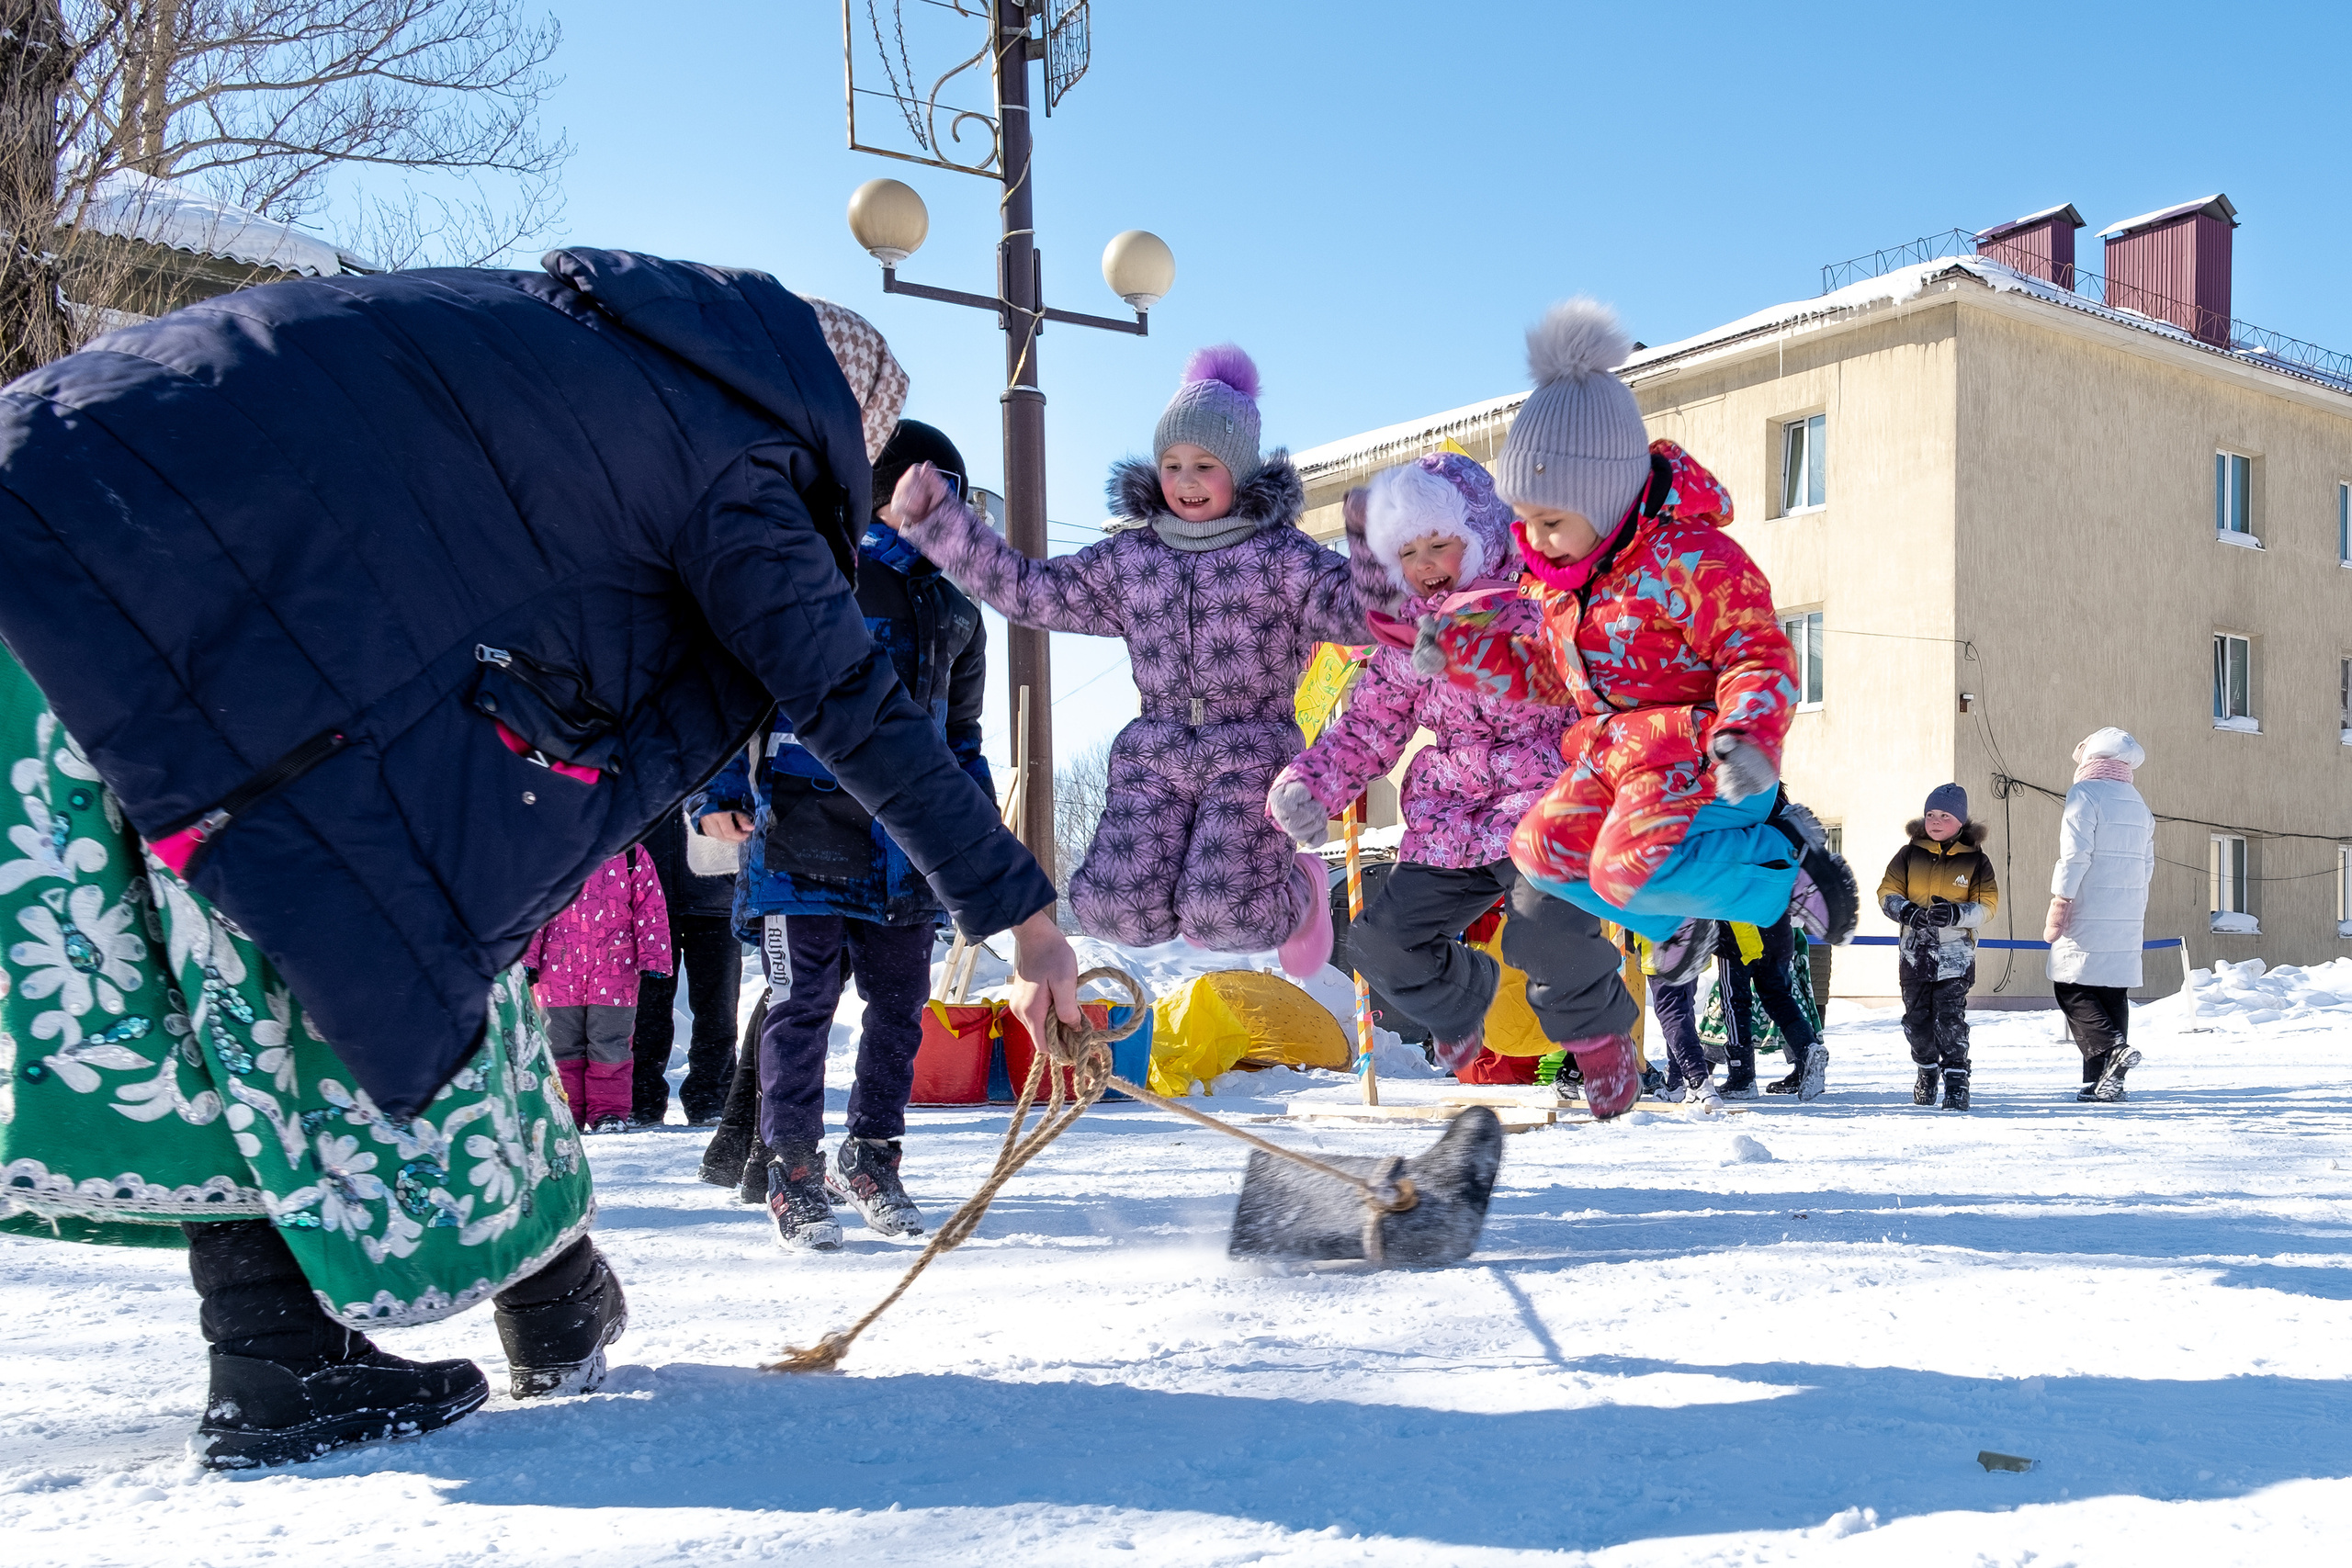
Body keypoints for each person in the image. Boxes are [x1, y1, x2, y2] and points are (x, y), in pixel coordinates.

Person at [0, 254, 1084, 1461]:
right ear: (839, 415)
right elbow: (854, 703)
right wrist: (1028, 920)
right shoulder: (741, 446)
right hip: (167, 594)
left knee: (293, 940)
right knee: (320, 932)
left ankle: (527, 1291)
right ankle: (288, 1353)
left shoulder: (594, 347)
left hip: (63, 524)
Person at [0, 650, 623, 1469]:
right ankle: (542, 1297)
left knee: (177, 983)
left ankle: (275, 1341)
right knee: (382, 949)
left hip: (58, 664)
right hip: (260, 644)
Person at [892, 346, 1375, 974]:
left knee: (1226, 915)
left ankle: (1301, 890)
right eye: (1172, 464)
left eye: (1205, 464)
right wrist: (942, 524)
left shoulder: (1282, 557)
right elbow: (1033, 591)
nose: (1186, 480)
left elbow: (1360, 611)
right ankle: (1197, 886)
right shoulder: (1133, 559)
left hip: (1250, 749)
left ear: (1242, 470)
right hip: (1157, 745)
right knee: (1109, 907)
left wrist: (1374, 551)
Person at [1422, 299, 1859, 988]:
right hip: (1610, 753)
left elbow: (1757, 651)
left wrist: (1748, 735)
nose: (1533, 540)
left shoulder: (1690, 560)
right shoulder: (1565, 583)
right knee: (1538, 850)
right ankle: (1677, 917)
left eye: (1551, 520)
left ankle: (1782, 864)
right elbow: (1553, 677)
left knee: (1623, 864)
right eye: (1524, 520)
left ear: (1606, 494)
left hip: (1692, 748)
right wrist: (1461, 656)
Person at [688, 418, 996, 1250]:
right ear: (877, 490)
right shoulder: (819, 573)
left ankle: (871, 1157)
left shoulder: (960, 613)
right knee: (801, 1004)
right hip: (799, 834)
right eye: (922, 489)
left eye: (954, 497)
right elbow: (738, 686)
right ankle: (791, 1169)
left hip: (906, 853)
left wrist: (980, 843)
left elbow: (961, 741)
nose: (940, 508)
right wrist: (715, 788)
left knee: (899, 1008)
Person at [1264, 453, 1640, 1116]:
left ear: (1484, 534)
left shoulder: (1542, 606)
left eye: (1441, 542)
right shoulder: (1407, 637)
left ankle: (1601, 1038)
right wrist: (1312, 784)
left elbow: (1604, 689)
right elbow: (1368, 727)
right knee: (1379, 941)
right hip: (1453, 819)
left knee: (1539, 935)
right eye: (1408, 550)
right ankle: (1460, 998)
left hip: (1547, 806)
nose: (1426, 563)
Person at [524, 844, 673, 1132]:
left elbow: (650, 908)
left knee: (611, 1045)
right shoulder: (547, 851)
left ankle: (608, 1113)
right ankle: (566, 1113)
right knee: (561, 1045)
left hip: (616, 969)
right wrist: (527, 958)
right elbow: (533, 908)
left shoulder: (631, 854)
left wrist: (654, 959)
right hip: (557, 970)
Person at [2046, 728, 2154, 1102]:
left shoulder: (2084, 794)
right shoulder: (2137, 802)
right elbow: (2147, 864)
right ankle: (2102, 1081)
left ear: (2091, 760)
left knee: (2071, 985)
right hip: (2126, 911)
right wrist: (2135, 906)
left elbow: (2075, 855)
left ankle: (2112, 1050)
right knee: (2110, 990)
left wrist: (2061, 900)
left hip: (2087, 904)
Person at [1879, 784, 1999, 1111]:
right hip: (1914, 954)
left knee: (1949, 1020)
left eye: (1944, 815)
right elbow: (1887, 892)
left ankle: (1957, 1082)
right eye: (1930, 814)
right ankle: (1927, 1071)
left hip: (1955, 957)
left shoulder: (1977, 861)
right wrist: (1905, 910)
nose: (1934, 820)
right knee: (1917, 1022)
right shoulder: (1908, 854)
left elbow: (1988, 904)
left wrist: (1957, 913)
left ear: (1960, 821)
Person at [628, 810, 741, 1126]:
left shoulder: (715, 758)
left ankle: (711, 1099)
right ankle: (641, 1101)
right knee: (647, 1008)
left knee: (718, 1008)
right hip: (647, 899)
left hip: (718, 896)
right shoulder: (644, 760)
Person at [1717, 915, 1828, 1100]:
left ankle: (1741, 1077)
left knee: (1735, 1004)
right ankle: (1807, 1047)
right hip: (1777, 933)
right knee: (1780, 998)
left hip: (1736, 937)